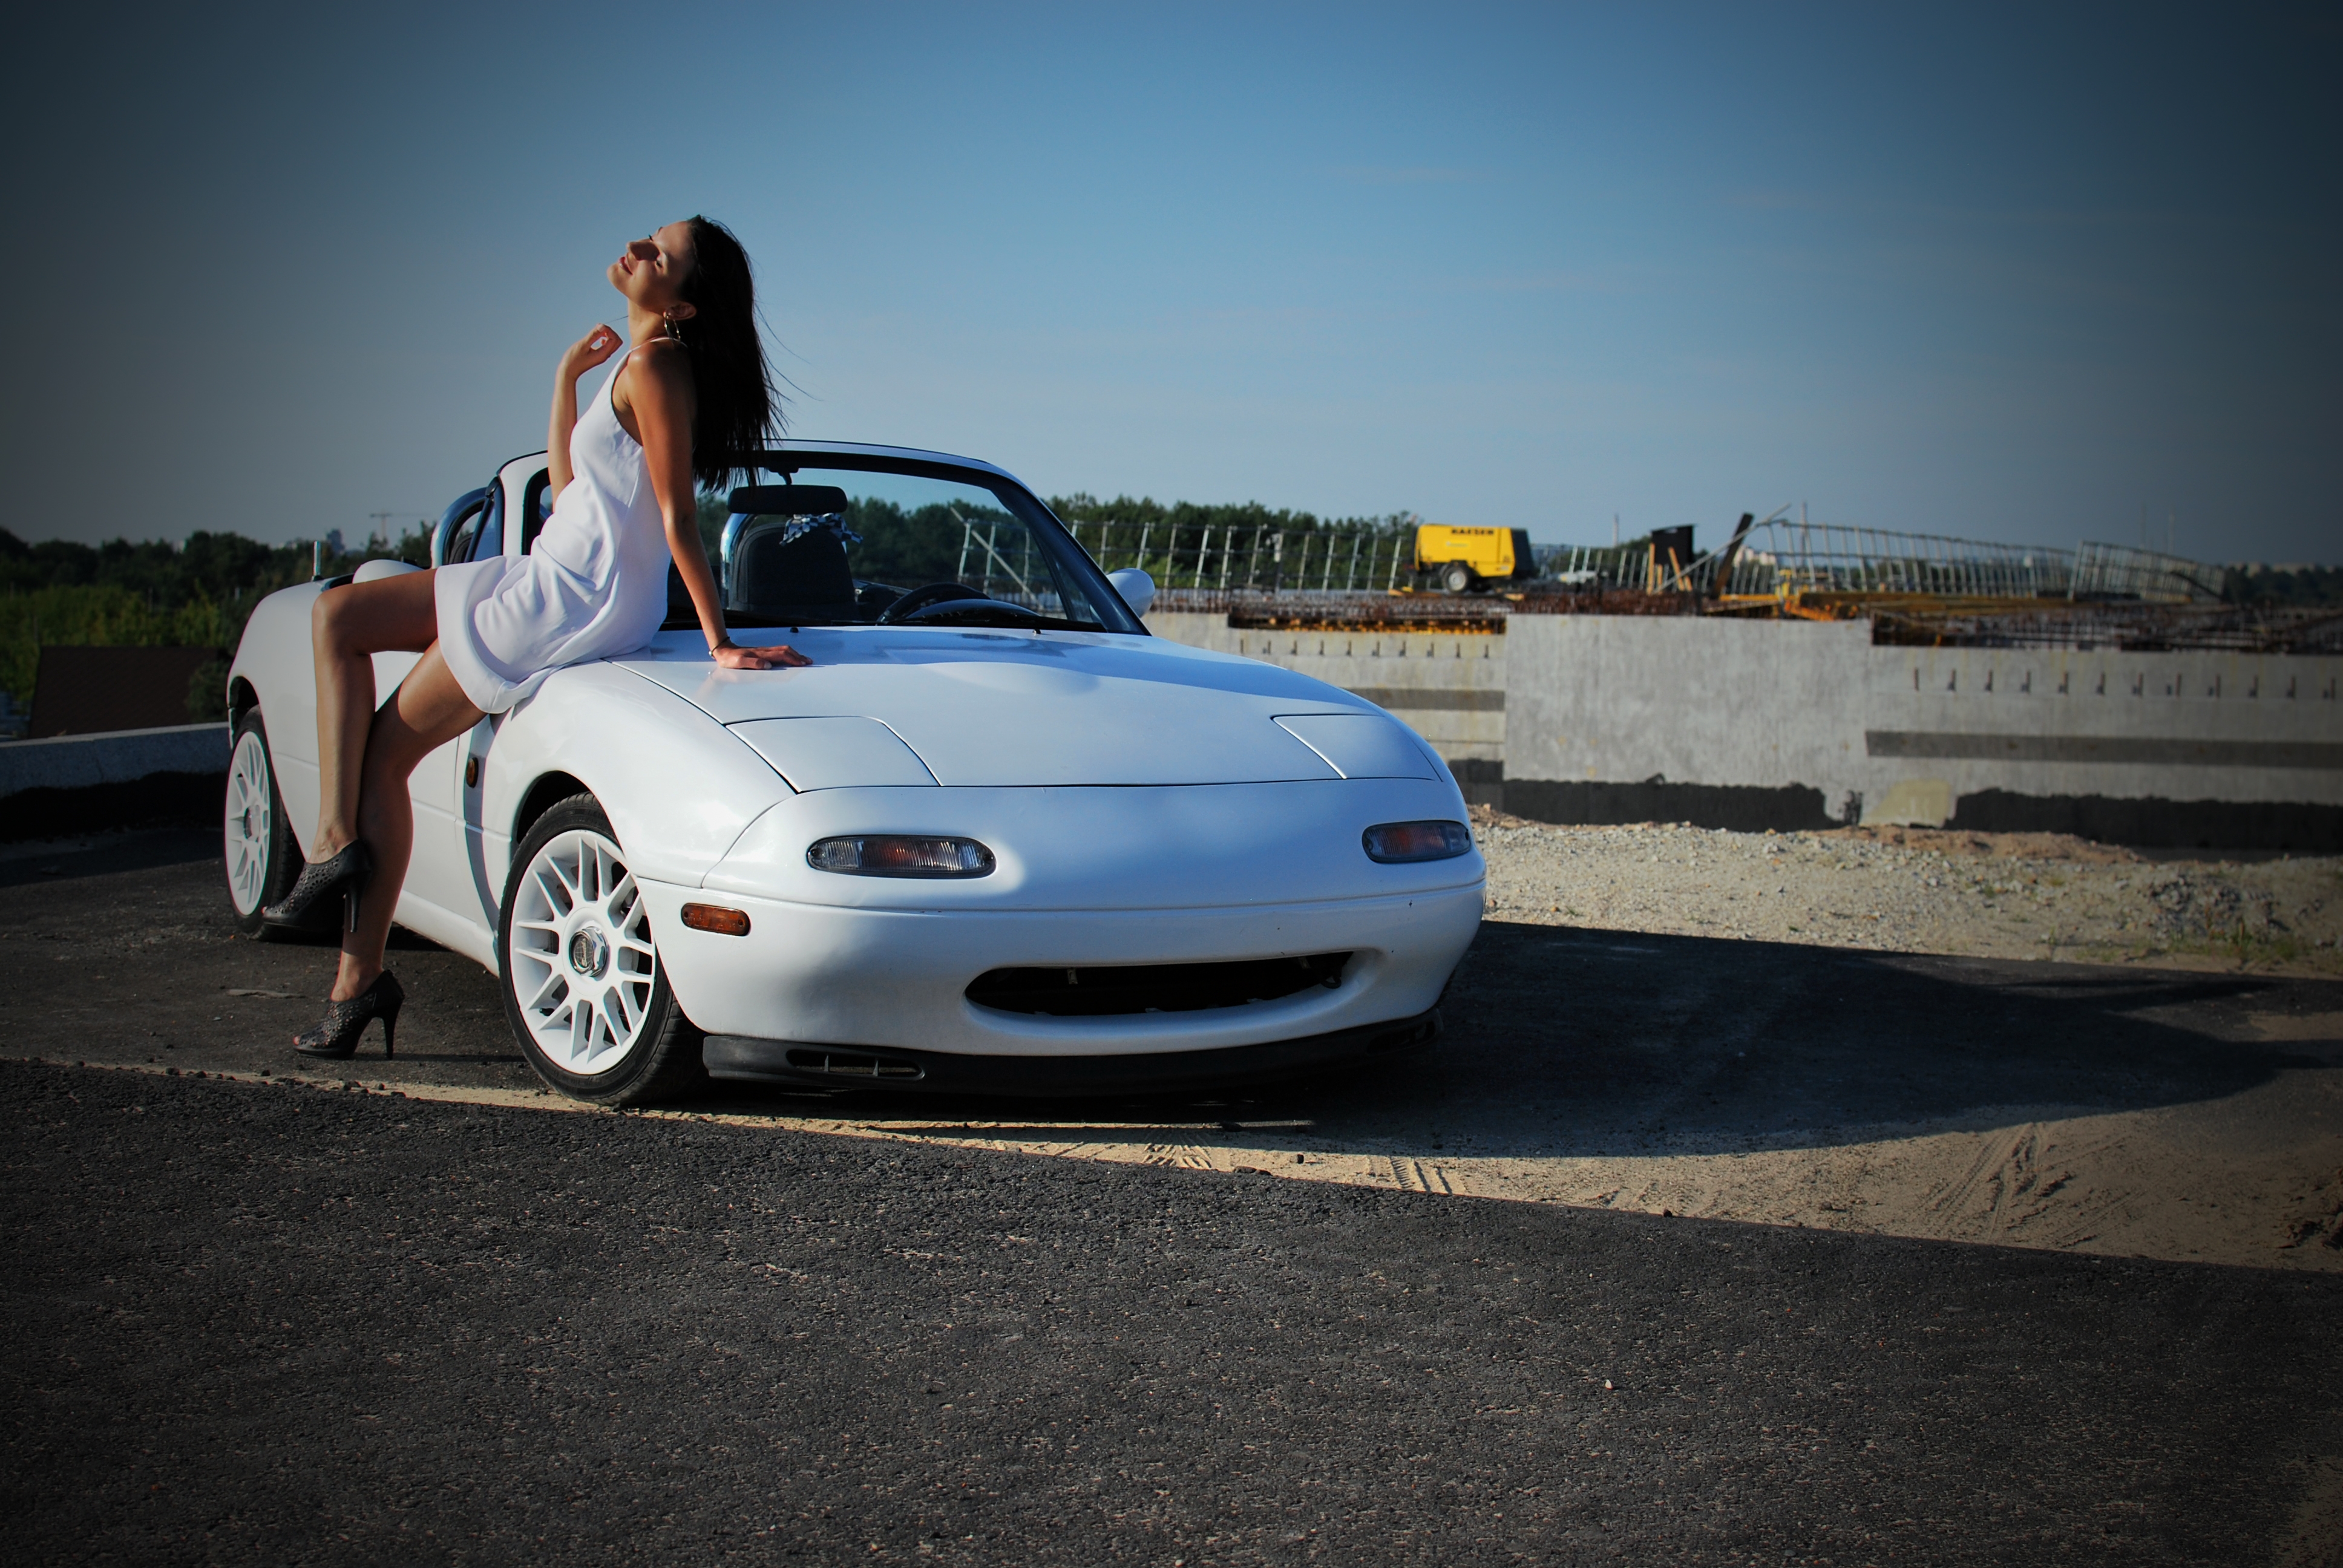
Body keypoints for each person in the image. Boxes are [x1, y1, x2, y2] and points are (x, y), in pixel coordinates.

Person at [272, 217, 808, 1059]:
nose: (639, 249)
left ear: (682, 306)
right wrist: (565, 379)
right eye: (650, 237)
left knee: (383, 750)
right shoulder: (635, 368)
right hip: (547, 569)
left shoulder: (659, 368)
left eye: (662, 255)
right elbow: (568, 491)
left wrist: (719, 641)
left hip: (567, 596)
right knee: (336, 618)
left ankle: (354, 959)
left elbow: (679, 516)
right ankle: (336, 854)